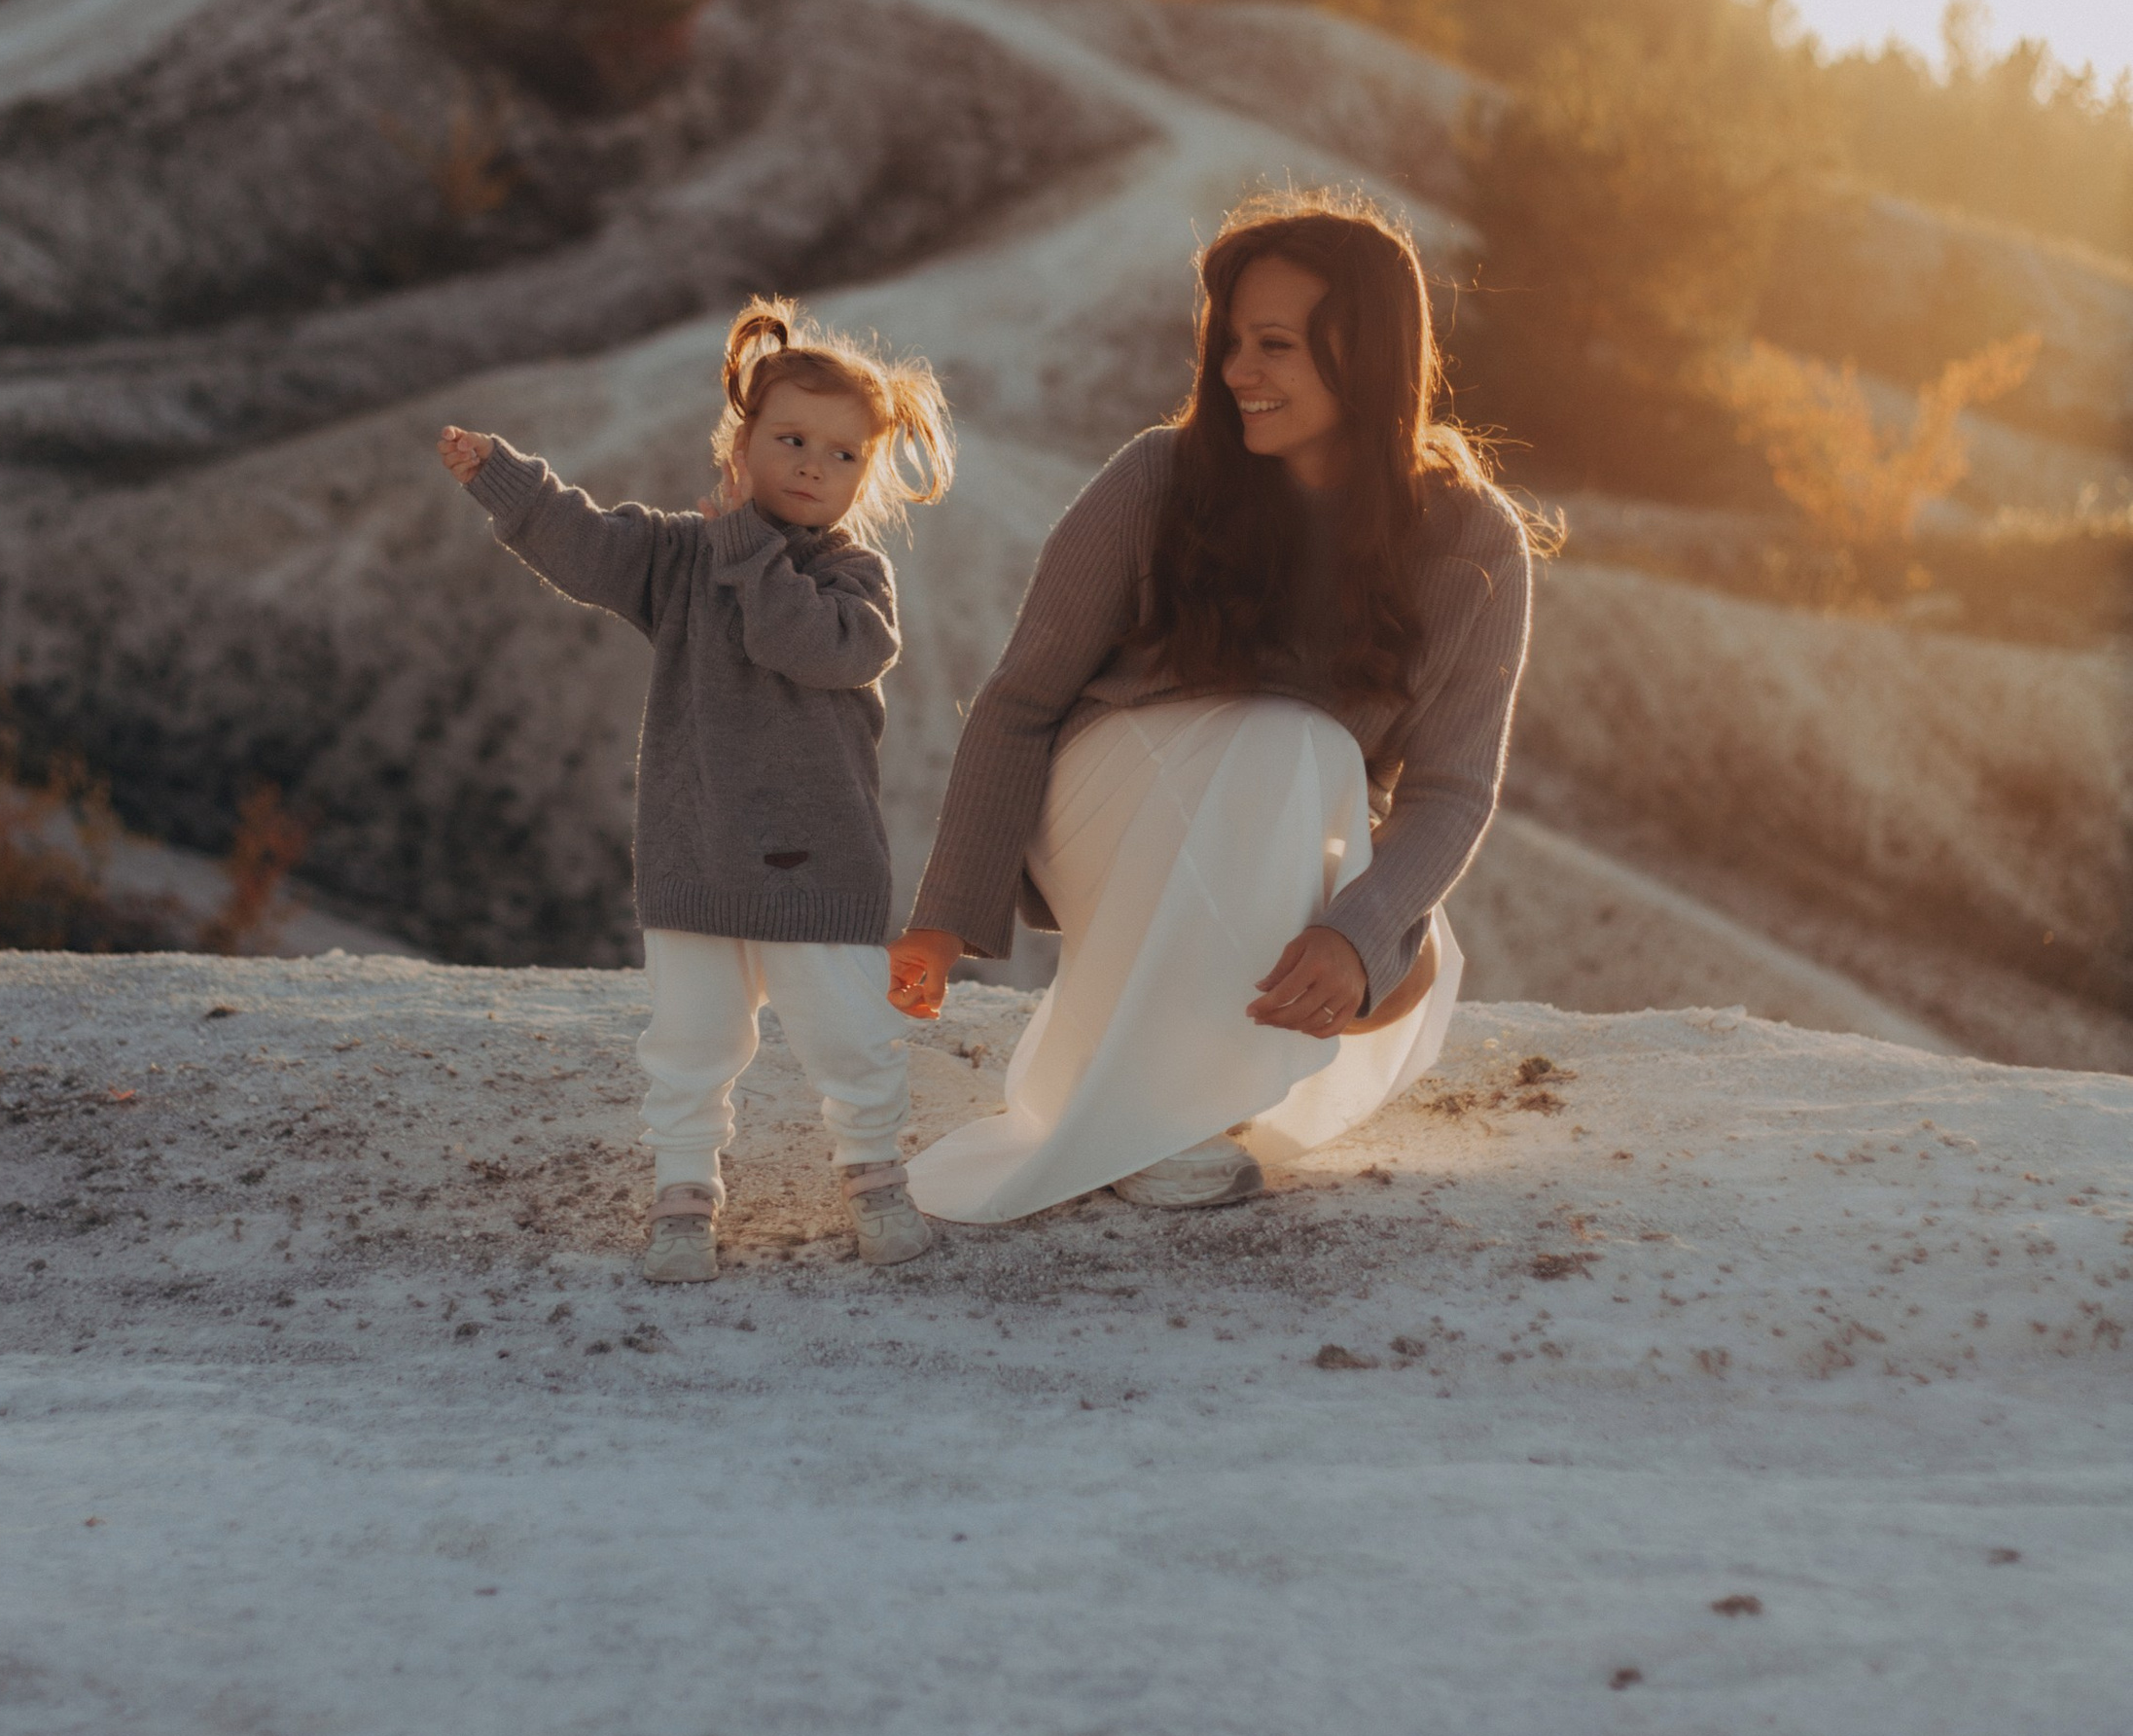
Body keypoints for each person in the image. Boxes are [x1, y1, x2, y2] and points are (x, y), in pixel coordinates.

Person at [887, 195, 1539, 1221]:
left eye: (1273, 345)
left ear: (1364, 355)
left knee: (1396, 951)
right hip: (1106, 803)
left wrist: (1358, 932)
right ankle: (1159, 1116)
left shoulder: (1470, 541)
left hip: (1285, 816)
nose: (1238, 372)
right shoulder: (1155, 478)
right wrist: (944, 917)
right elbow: (1019, 702)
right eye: (1230, 342)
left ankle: (1190, 1090)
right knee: (1290, 738)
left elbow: (1453, 788)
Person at [441, 298, 955, 1282]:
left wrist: (748, 548)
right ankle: (684, 1194)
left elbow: (797, 642)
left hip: (818, 858)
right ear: (741, 443)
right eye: (791, 439)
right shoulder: (679, 555)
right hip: (696, 848)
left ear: (869, 473)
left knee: (849, 1034)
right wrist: (505, 481)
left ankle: (875, 1175)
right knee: (688, 1039)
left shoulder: (856, 579)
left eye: (844, 455)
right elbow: (586, 546)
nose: (813, 464)